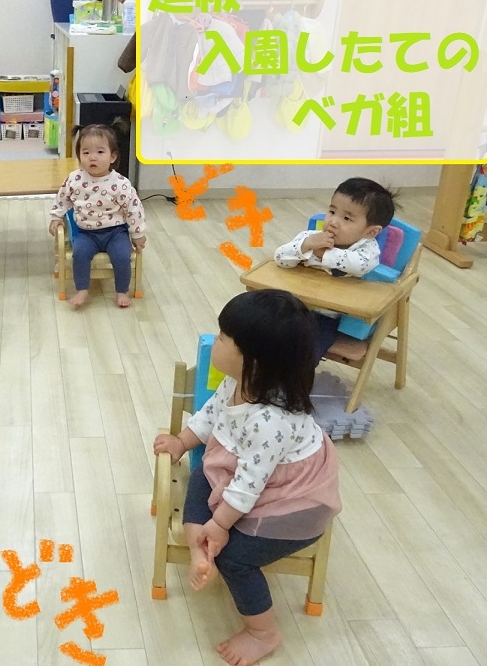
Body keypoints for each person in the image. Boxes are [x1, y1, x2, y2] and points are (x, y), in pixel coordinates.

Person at [153, 289, 340, 666]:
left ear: (253, 359)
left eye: (224, 338)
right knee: (200, 477)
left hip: (293, 502)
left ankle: (262, 632)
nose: (216, 341)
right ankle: (198, 550)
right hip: (251, 475)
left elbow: (248, 487)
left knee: (235, 559)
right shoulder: (238, 381)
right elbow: (211, 415)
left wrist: (220, 525)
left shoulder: (271, 420)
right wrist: (182, 441)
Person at [273, 177, 398, 366]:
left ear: (371, 232)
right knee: (259, 330)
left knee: (307, 351)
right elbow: (280, 258)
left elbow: (360, 265)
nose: (332, 222)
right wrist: (305, 246)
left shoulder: (367, 251)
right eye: (332, 211)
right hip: (290, 305)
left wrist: (325, 254)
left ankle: (292, 379)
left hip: (325, 316)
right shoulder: (311, 238)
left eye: (346, 218)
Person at [49, 122, 146, 309]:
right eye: (86, 152)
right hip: (86, 233)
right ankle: (82, 289)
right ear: (79, 156)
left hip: (115, 232)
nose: (92, 157)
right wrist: (56, 216)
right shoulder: (75, 179)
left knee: (122, 256)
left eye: (100, 152)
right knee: (79, 254)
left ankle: (121, 291)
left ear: (112, 156)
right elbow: (63, 198)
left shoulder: (120, 183)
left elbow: (134, 208)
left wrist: (137, 233)